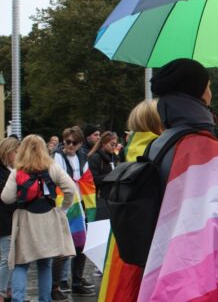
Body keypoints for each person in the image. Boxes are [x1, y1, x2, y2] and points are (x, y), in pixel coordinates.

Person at [135, 58, 218, 301]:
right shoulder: (205, 148)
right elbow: (214, 220)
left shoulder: (159, 142)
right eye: (208, 86)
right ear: (199, 93)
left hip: (158, 261)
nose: (211, 92)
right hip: (191, 278)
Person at [99, 99, 162, 302]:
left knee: (121, 285)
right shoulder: (158, 147)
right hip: (149, 230)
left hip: (123, 231)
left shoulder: (129, 148)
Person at [1, 135, 77, 302]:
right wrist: (63, 208)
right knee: (45, 264)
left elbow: (6, 198)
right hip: (48, 219)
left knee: (21, 264)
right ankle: (45, 299)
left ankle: (18, 299)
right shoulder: (52, 168)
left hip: (25, 220)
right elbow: (71, 189)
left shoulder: (17, 171)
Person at [53, 126, 97, 299]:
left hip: (81, 205)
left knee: (81, 244)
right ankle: (57, 284)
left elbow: (87, 179)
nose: (70, 145)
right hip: (64, 206)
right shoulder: (57, 157)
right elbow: (57, 178)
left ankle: (77, 281)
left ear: (80, 144)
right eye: (67, 142)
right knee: (64, 247)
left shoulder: (82, 156)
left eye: (74, 142)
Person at [0, 138, 19, 301]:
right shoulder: (4, 172)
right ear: (8, 152)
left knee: (11, 258)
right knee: (7, 258)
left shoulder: (12, 169)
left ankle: (8, 290)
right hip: (4, 220)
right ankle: (1, 292)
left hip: (11, 218)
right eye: (16, 152)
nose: (18, 155)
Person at [87, 131, 119, 221]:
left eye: (115, 145)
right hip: (101, 199)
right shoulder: (95, 158)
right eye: (112, 144)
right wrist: (112, 175)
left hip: (114, 198)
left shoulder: (115, 157)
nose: (114, 147)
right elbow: (93, 180)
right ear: (104, 143)